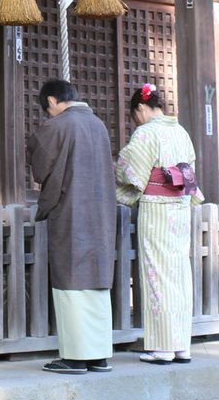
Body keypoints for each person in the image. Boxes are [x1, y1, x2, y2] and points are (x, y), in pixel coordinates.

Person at [28, 78, 118, 374]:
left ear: (53, 101)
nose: (48, 114)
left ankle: (76, 357)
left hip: (71, 211)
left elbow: (40, 168)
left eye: (47, 108)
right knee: (96, 278)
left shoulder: (57, 127)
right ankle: (100, 354)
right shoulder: (98, 125)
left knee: (71, 281)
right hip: (100, 213)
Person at [116, 82, 202, 364]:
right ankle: (182, 346)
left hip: (156, 209)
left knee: (156, 273)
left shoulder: (146, 133)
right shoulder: (181, 131)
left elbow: (130, 170)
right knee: (178, 273)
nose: (135, 121)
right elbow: (188, 170)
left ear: (140, 108)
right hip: (180, 207)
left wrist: (123, 188)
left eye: (134, 115)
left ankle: (164, 347)